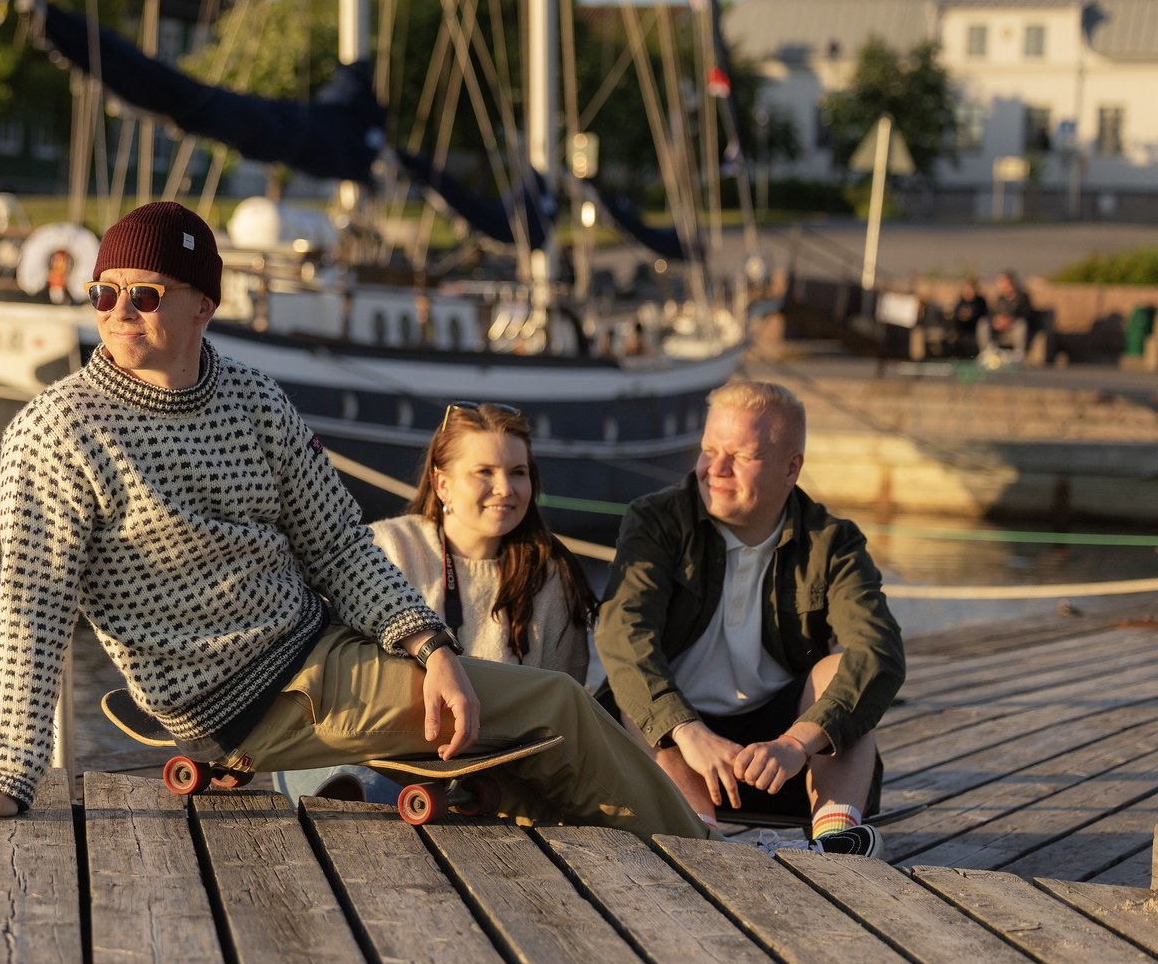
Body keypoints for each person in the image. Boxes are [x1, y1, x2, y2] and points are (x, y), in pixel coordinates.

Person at [0, 200, 714, 842]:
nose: (117, 310)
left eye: (143, 295)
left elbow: (341, 550)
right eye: (102, 293)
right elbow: (32, 613)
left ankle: (617, 848)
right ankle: (702, 862)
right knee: (559, 708)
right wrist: (6, 777)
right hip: (248, 695)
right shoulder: (57, 431)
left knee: (515, 721)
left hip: (316, 649)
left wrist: (431, 648)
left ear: (202, 306)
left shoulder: (253, 400)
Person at [596, 379, 906, 856]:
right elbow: (622, 634)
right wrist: (688, 730)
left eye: (740, 457)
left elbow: (878, 652)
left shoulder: (834, 542)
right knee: (633, 689)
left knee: (846, 673)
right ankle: (697, 835)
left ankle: (836, 839)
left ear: (791, 467)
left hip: (784, 759)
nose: (714, 470)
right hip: (678, 741)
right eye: (708, 450)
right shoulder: (656, 521)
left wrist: (796, 743)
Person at [272, 402, 597, 804]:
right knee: (358, 787)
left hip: (475, 779)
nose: (505, 488)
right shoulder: (383, 549)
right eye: (485, 472)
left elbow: (558, 715)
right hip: (358, 750)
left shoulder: (551, 579)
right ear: (442, 484)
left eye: (518, 472)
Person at [977, 271, 1033, 364]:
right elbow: (992, 312)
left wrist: (1011, 320)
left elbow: (1027, 313)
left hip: (1013, 329)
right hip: (999, 330)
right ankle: (986, 352)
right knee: (984, 323)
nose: (1001, 285)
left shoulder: (1023, 297)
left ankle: (1019, 354)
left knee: (1021, 324)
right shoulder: (1000, 298)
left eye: (1003, 282)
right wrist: (996, 320)